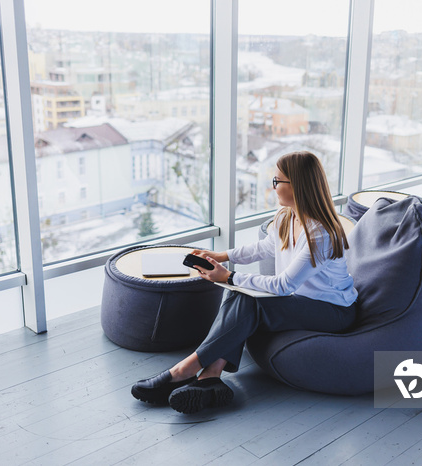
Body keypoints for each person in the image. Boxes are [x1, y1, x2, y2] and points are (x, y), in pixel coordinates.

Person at [131, 150, 358, 414]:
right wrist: (222, 256)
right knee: (239, 293)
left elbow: (285, 285)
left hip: (334, 311)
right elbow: (263, 248)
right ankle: (210, 378)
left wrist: (228, 276)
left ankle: (185, 369)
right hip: (303, 301)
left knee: (248, 300)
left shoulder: (320, 234)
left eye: (277, 181)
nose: (273, 187)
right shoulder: (287, 216)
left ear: (296, 185)